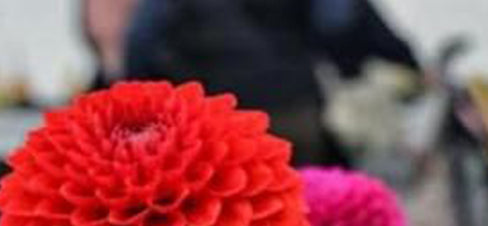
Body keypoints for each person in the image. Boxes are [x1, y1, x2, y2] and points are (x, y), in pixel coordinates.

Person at [125, 0, 419, 165]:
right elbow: (336, 21)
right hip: (292, 105)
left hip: (216, 120)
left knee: (230, 220)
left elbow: (142, 40)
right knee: (304, 213)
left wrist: (143, 106)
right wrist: (397, 60)